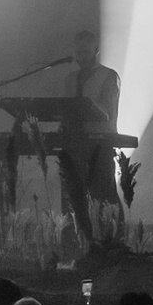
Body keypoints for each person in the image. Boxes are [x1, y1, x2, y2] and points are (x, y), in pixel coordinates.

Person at [57, 30, 124, 245]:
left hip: (99, 144)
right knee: (72, 196)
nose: (81, 57)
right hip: (74, 144)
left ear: (96, 50)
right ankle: (77, 243)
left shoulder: (108, 76)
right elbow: (65, 110)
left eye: (86, 52)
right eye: (78, 53)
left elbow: (106, 110)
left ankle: (114, 242)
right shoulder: (70, 78)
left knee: (104, 194)